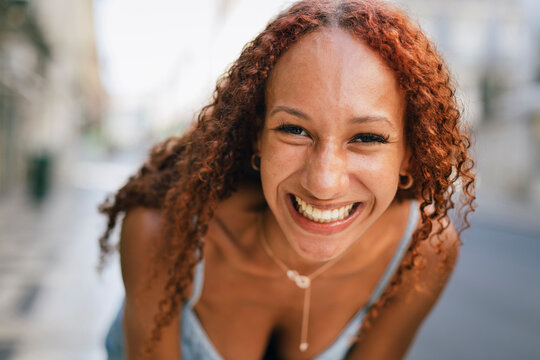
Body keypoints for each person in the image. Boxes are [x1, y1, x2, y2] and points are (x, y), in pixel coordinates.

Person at [99, 0, 476, 359]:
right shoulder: (162, 231)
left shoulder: (422, 251)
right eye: (294, 129)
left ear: (409, 154)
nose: (324, 182)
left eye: (367, 138)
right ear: (257, 137)